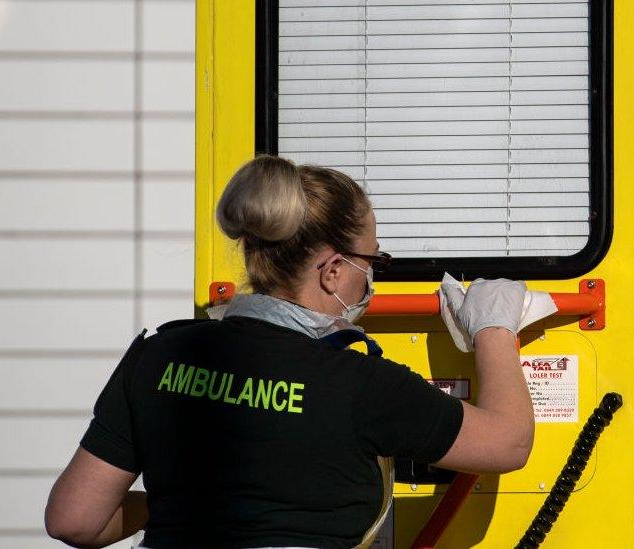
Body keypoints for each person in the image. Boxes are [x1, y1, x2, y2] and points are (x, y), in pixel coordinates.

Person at [45, 156, 535, 548]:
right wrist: (493, 326)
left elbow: (75, 520)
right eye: (374, 260)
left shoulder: (158, 355)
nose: (373, 276)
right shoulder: (357, 382)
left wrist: (183, 501)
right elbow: (509, 443)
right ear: (333, 271)